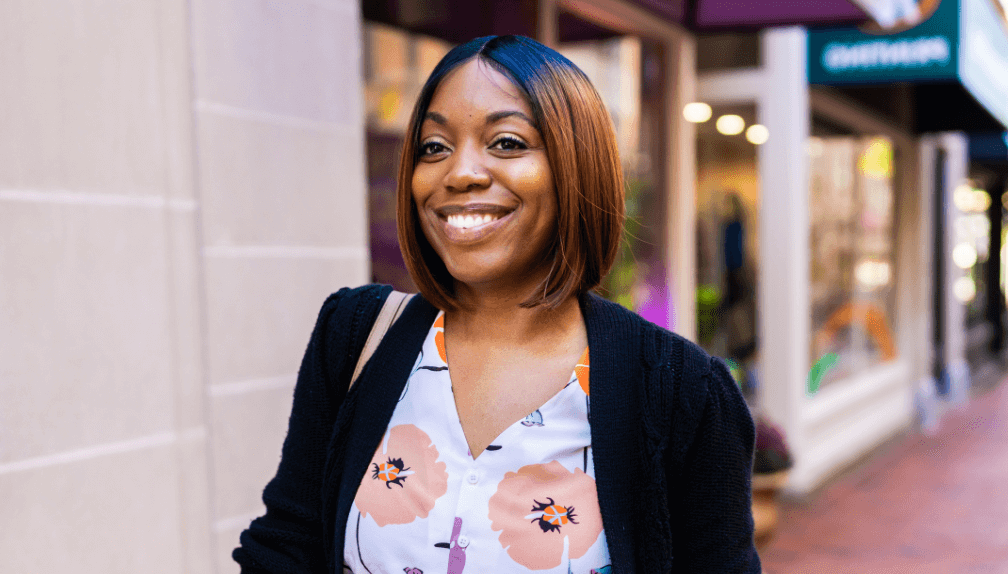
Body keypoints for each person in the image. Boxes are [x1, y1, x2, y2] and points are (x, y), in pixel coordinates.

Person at [232, 35, 759, 574]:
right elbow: (286, 547)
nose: (459, 173)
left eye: (506, 142)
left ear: (576, 167)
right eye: (434, 147)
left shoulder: (683, 392)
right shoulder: (354, 336)